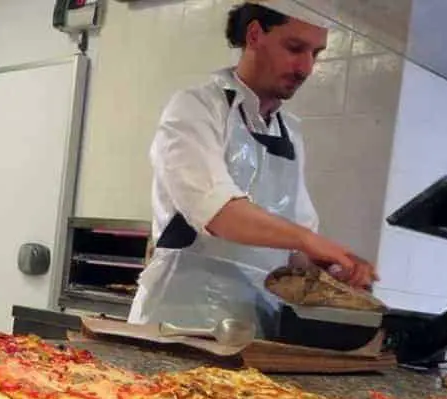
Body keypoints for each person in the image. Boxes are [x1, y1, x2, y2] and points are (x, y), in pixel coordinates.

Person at [129, 0, 378, 330]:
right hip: (177, 323)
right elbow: (219, 214)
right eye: (294, 48)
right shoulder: (195, 108)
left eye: (315, 54)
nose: (305, 67)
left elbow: (294, 252)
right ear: (255, 34)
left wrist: (333, 268)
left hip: (254, 330)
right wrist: (308, 241)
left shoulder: (291, 132)